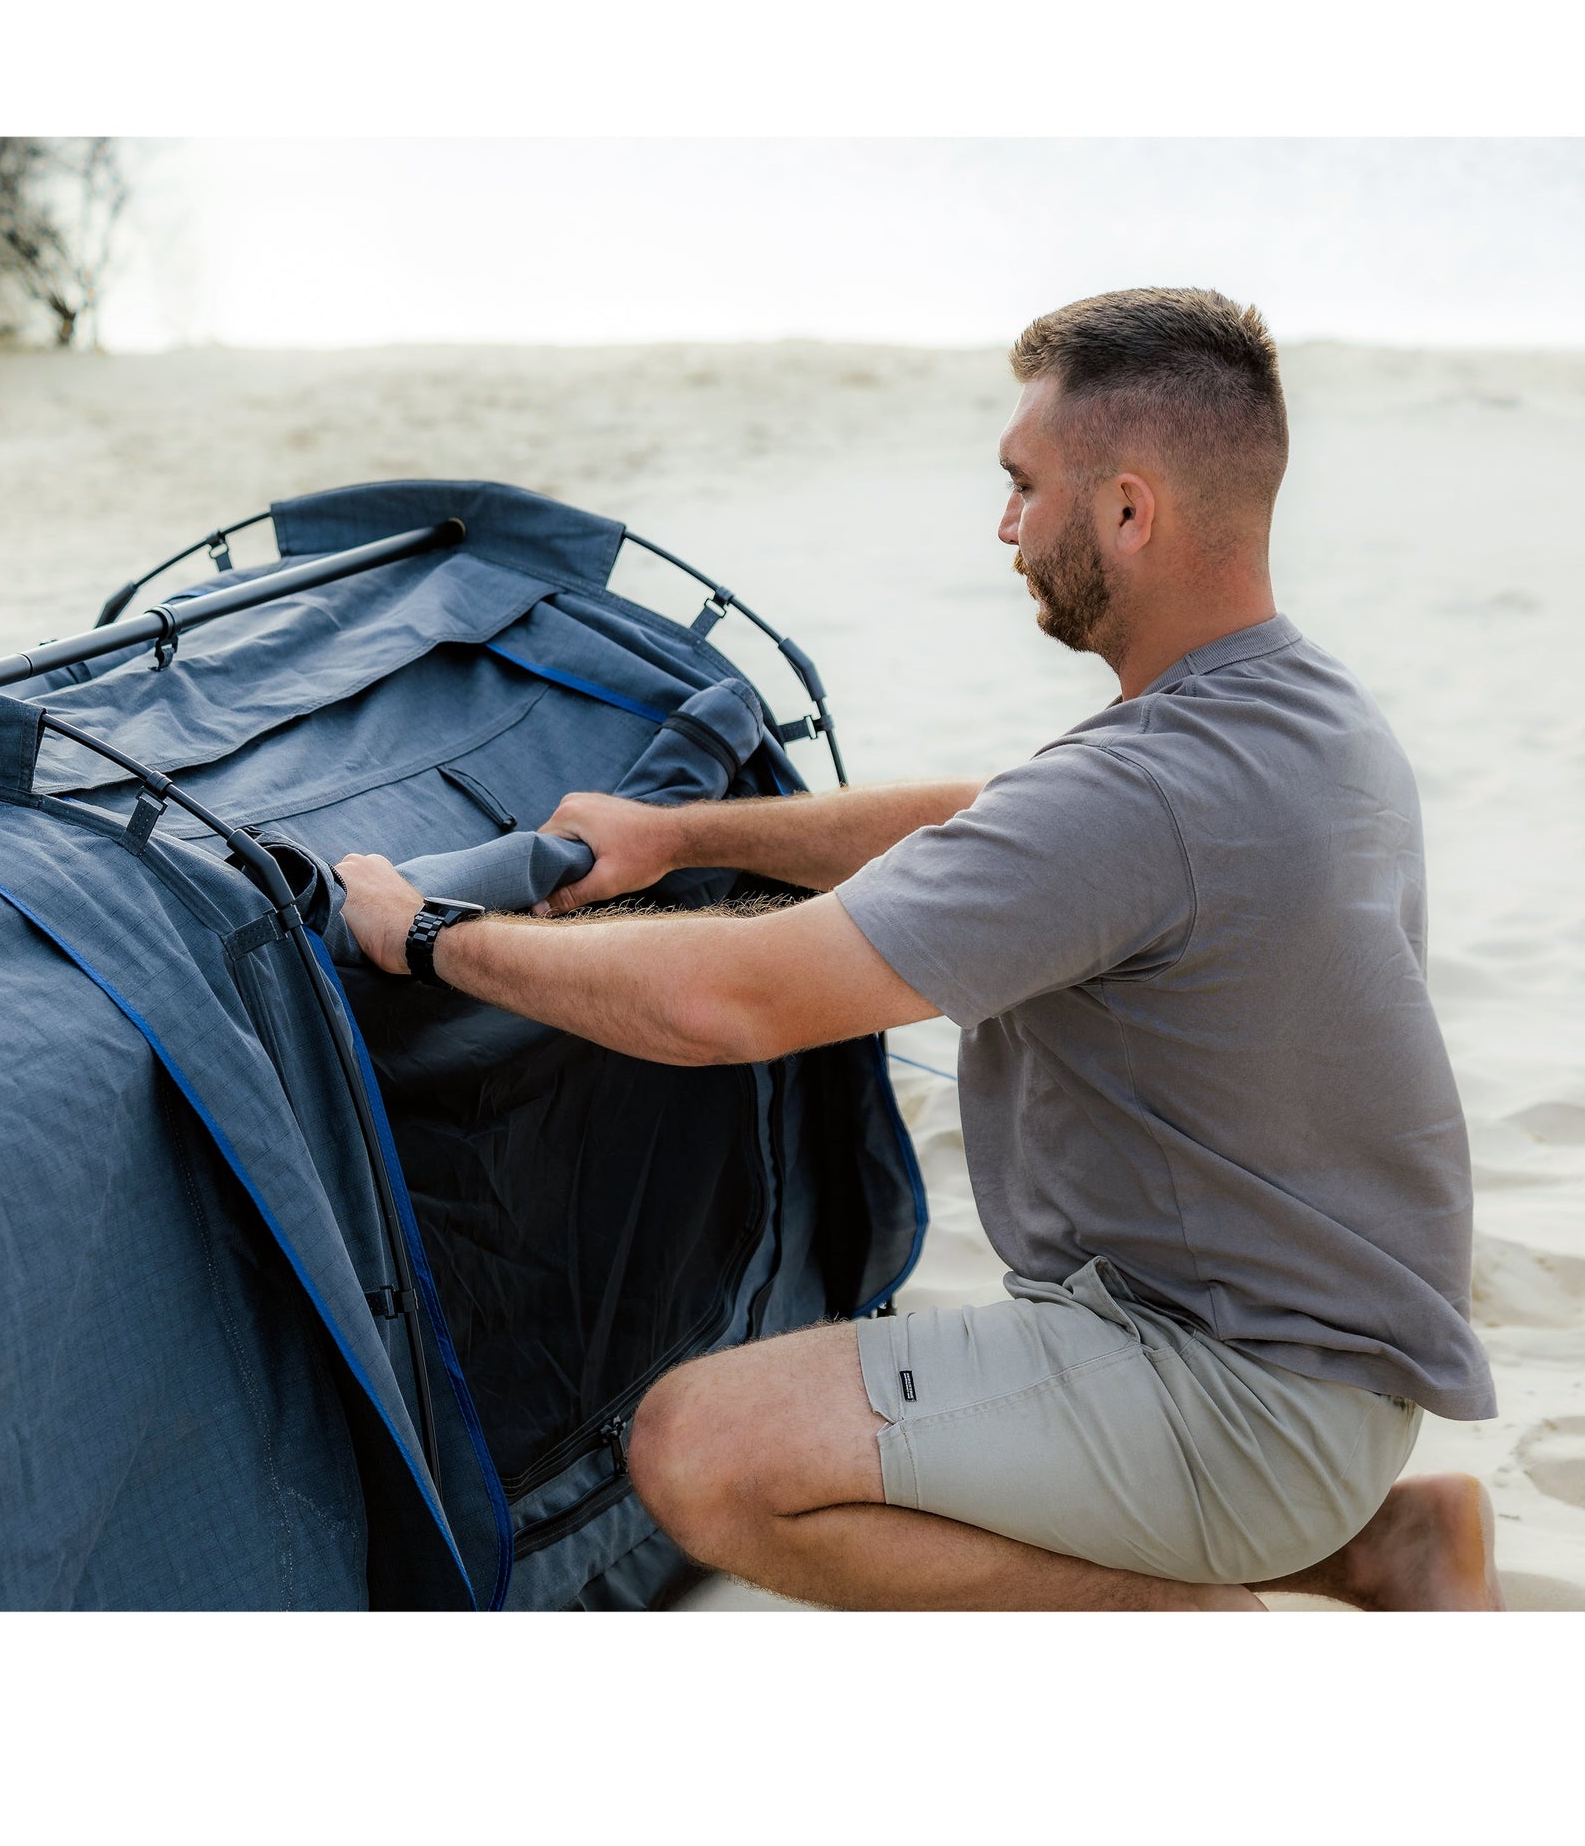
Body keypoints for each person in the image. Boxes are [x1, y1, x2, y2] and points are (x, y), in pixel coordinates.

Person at [339, 286, 1504, 1611]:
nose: (1007, 526)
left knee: (702, 1450)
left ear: (1129, 511)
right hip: (1331, 1377)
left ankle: (1198, 1627)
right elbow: (997, 819)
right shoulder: (1298, 709)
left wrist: (430, 934)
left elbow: (733, 1002)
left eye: (1024, 486)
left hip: (1233, 1397)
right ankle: (1380, 1545)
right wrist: (681, 834)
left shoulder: (1146, 793)